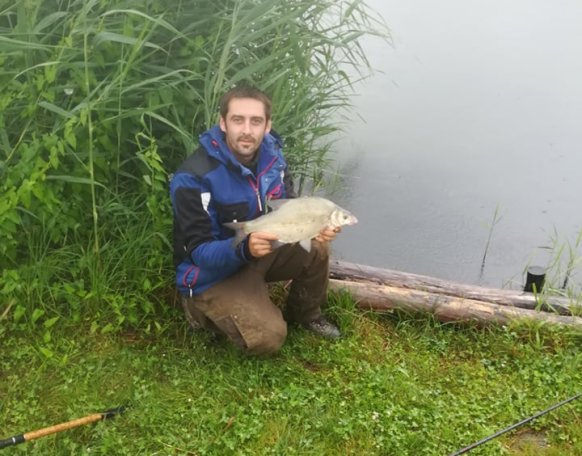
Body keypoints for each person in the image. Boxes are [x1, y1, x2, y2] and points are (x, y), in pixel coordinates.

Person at [170, 85, 342, 355]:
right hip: (210, 274)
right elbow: (198, 251)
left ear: (267, 125)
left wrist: (315, 226)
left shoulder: (274, 158)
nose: (247, 130)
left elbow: (290, 206)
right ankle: (197, 309)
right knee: (269, 338)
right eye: (238, 120)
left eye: (256, 121)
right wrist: (243, 249)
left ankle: (305, 313)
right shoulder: (193, 177)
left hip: (258, 248)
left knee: (318, 247)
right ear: (223, 123)